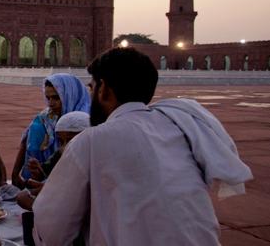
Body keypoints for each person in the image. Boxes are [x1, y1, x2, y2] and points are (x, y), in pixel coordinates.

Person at [32, 47, 253, 245]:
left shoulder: (91, 141)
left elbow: (52, 229)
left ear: (104, 90)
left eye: (92, 88)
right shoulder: (179, 128)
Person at [11, 73, 90, 189]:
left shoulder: (86, 118)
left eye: (56, 97)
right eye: (48, 98)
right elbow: (25, 141)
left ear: (70, 95)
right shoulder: (45, 117)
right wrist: (15, 174)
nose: (51, 103)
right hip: (44, 172)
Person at [16, 111, 90, 211]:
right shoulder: (60, 153)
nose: (65, 146)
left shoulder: (94, 158)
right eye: (61, 141)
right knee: (22, 197)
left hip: (83, 202)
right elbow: (46, 174)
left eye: (70, 140)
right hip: (60, 197)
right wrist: (39, 173)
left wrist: (52, 189)